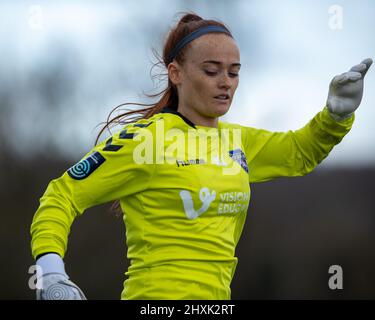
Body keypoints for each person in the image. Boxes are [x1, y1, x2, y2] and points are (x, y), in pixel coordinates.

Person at [30, 12, 372, 300]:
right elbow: (62, 195)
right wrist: (50, 272)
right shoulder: (144, 142)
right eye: (211, 70)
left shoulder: (238, 141)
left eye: (234, 72)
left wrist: (336, 114)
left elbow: (300, 152)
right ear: (176, 74)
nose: (225, 82)